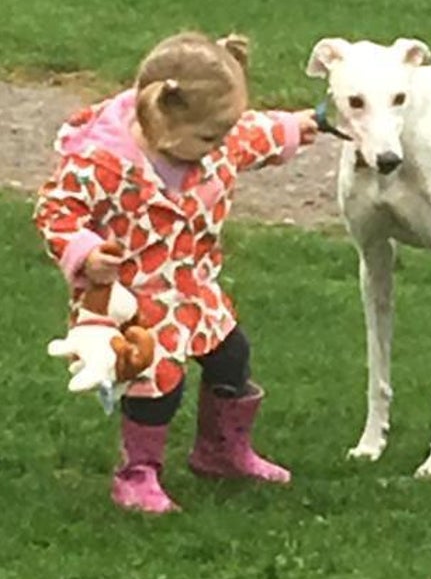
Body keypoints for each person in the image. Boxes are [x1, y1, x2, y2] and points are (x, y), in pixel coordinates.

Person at [35, 31, 319, 513]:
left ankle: (222, 450)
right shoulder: (102, 163)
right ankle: (138, 472)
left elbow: (250, 134)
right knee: (156, 380)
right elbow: (55, 210)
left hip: (192, 289)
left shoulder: (213, 142)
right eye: (210, 136)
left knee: (232, 357)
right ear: (163, 118)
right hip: (134, 298)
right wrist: (85, 253)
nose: (220, 146)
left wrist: (295, 127)